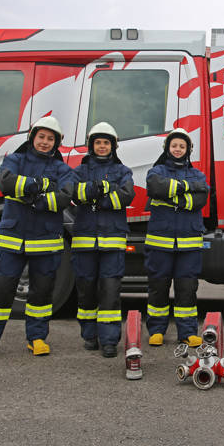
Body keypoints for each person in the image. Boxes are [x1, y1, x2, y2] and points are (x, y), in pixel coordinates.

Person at [0, 116, 74, 361]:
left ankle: (37, 339)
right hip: (12, 240)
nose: (45, 142)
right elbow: (4, 182)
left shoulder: (62, 169)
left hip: (46, 241)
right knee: (0, 292)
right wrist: (40, 185)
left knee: (41, 293)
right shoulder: (15, 160)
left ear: (57, 143)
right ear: (32, 137)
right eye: (41, 137)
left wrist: (29, 195)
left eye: (50, 139)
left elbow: (65, 195)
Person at [70, 122, 135, 358]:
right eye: (98, 142)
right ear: (91, 145)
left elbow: (126, 197)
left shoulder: (123, 171)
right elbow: (74, 194)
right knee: (86, 290)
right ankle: (89, 335)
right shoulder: (80, 170)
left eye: (106, 142)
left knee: (110, 291)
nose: (102, 146)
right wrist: (100, 192)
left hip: (113, 241)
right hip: (85, 240)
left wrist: (100, 193)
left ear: (113, 146)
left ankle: (109, 340)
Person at [144, 128, 210, 347]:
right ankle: (156, 330)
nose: (178, 149)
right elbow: (156, 188)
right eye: (174, 146)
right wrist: (186, 189)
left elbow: (200, 200)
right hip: (159, 242)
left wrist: (173, 198)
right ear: (167, 148)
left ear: (188, 150)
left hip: (189, 244)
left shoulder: (198, 174)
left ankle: (188, 332)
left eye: (182, 146)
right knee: (158, 287)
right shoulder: (156, 171)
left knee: (187, 289)